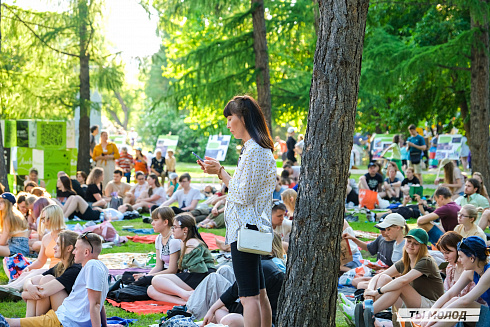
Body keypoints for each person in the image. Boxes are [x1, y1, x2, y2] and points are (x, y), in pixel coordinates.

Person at [199, 95, 276, 326]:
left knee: (248, 296)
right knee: (259, 293)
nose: (228, 125)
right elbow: (243, 190)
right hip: (249, 227)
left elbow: (243, 195)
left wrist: (221, 172)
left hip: (246, 228)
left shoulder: (255, 150)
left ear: (243, 118)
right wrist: (220, 172)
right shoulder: (254, 148)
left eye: (230, 118)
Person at [2, 232, 109, 327]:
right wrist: (105, 324)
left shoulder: (91, 266)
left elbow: (96, 304)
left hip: (63, 320)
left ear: (86, 252)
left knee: (10, 323)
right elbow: (99, 302)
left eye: (76, 249)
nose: (73, 252)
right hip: (62, 316)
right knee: (17, 322)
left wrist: (24, 294)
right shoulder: (99, 267)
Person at [358, 229, 444, 326]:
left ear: (423, 247)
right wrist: (369, 291)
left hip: (431, 307)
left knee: (400, 285)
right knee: (384, 278)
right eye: (409, 241)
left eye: (416, 243)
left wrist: (377, 291)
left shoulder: (426, 261)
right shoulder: (405, 261)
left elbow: (403, 281)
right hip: (411, 306)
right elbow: (380, 276)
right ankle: (367, 309)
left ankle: (367, 313)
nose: (411, 245)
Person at [202, 233, 286, 327]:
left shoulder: (262, 267)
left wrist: (211, 310)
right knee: (218, 312)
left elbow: (235, 292)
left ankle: (189, 311)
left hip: (266, 320)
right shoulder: (266, 264)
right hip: (261, 316)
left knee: (228, 318)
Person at [422, 236, 490, 327]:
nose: (459, 260)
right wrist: (430, 313)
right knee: (454, 300)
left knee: (463, 305)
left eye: (461, 256)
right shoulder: (470, 272)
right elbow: (450, 294)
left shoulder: (488, 272)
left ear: (472, 258)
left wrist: (436, 316)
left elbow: (465, 301)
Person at [148, 213, 215, 305]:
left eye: (175, 227)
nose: (172, 230)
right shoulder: (184, 242)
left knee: (157, 280)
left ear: (185, 230)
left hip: (201, 278)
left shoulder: (192, 243)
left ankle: (187, 295)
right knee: (151, 289)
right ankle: (185, 302)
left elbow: (199, 271)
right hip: (193, 276)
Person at [1, 205, 66, 293]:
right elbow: (40, 261)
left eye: (46, 218)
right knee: (28, 273)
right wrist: (29, 267)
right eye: (42, 219)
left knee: (36, 272)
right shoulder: (46, 238)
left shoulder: (66, 236)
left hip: (62, 271)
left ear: (55, 217)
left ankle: (13, 288)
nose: (43, 222)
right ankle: (9, 287)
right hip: (51, 270)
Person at [23, 230, 81, 317]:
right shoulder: (60, 265)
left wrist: (24, 294)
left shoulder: (75, 269)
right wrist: (29, 286)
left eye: (58, 244)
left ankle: (36, 321)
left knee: (47, 280)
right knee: (37, 281)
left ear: (69, 248)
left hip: (72, 314)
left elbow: (42, 294)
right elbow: (31, 280)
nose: (54, 247)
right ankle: (30, 320)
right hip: (62, 307)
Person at [132, 207, 181, 283]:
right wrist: (146, 276)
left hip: (173, 276)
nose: (152, 223)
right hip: (163, 273)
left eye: (155, 220)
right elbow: (158, 266)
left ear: (165, 222)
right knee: (131, 277)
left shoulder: (174, 240)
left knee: (143, 285)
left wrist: (146, 277)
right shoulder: (159, 238)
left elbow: (172, 270)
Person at [435, 231, 483, 300]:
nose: (445, 257)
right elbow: (446, 293)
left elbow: (471, 300)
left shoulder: (472, 269)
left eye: (448, 253)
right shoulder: (450, 267)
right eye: (443, 253)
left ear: (459, 249)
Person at [0, 193, 30, 257]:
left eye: (2, 202)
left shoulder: (8, 217)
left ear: (9, 204)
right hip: (18, 246)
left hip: (18, 249)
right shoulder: (14, 214)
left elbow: (2, 242)